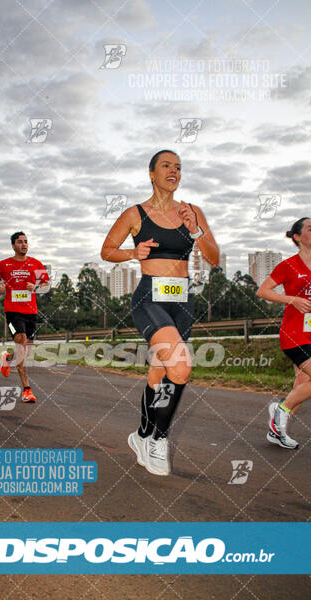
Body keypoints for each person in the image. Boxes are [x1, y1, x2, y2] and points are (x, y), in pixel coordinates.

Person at [101, 150, 219, 475]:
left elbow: (214, 258)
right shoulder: (135, 213)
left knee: (159, 373)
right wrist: (132, 252)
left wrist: (195, 230)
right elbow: (106, 250)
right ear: (152, 174)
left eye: (178, 167)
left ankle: (140, 434)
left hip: (182, 301)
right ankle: (158, 439)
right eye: (166, 166)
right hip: (149, 298)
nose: (174, 171)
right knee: (180, 367)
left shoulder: (191, 212)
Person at [257, 217, 311, 449]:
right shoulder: (288, 266)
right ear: (298, 237)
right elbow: (263, 291)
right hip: (294, 334)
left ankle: (277, 430)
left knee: (303, 382)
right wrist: (292, 299)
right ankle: (281, 410)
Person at [0, 232, 50, 403]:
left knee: (26, 351)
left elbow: (46, 285)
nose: (24, 244)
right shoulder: (4, 264)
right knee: (21, 341)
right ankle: (27, 390)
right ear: (13, 245)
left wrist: (35, 287)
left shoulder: (35, 263)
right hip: (13, 311)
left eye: (26, 242)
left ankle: (8, 359)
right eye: (20, 242)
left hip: (31, 312)